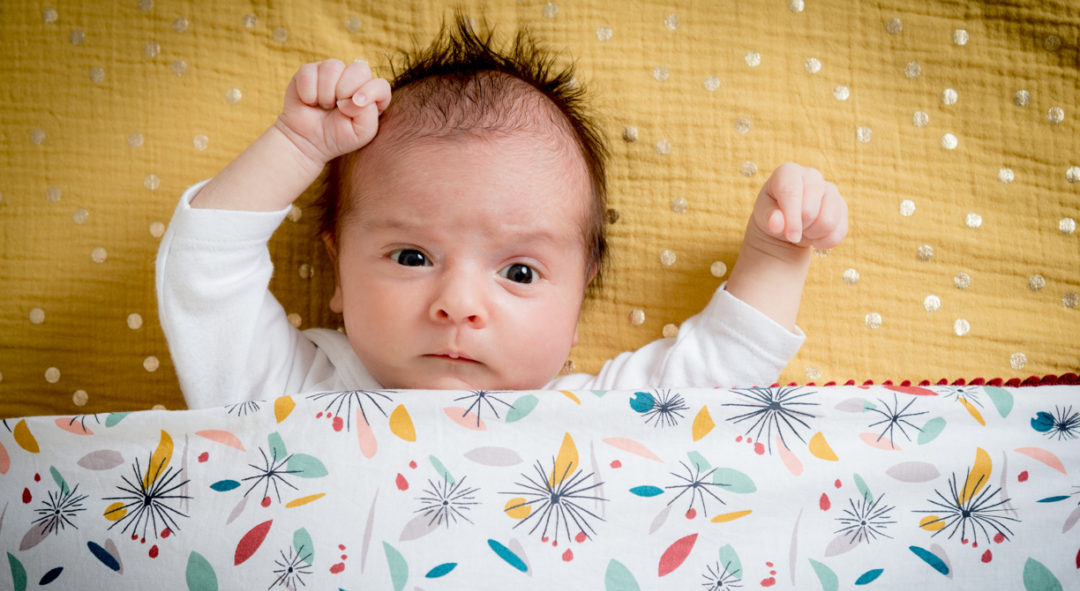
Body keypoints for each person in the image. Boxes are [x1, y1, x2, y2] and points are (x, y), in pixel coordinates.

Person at [156, 17, 847, 409]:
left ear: (579, 299)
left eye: (518, 271)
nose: (459, 304)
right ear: (337, 271)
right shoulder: (284, 393)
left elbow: (721, 371)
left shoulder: (593, 415)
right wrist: (296, 145)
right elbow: (205, 273)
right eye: (411, 256)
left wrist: (778, 252)